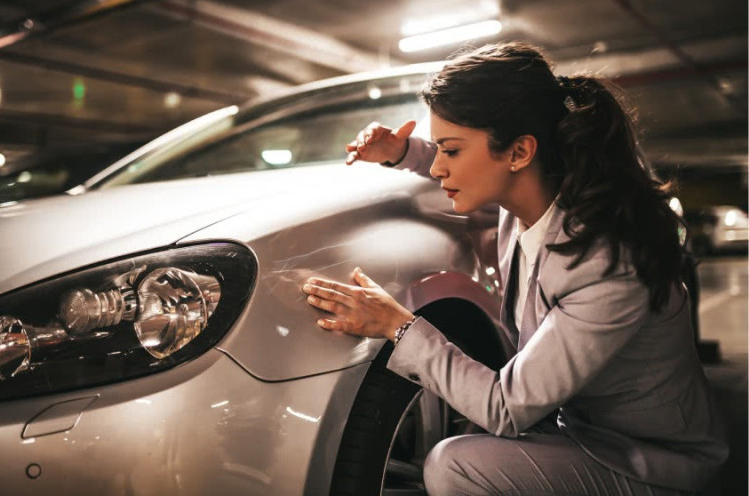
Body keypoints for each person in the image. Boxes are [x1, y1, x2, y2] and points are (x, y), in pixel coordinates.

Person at [302, 42, 728, 495]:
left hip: (652, 461)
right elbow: (460, 159)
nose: (440, 167)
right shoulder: (528, 198)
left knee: (454, 465)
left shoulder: (607, 263)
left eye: (452, 150)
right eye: (439, 148)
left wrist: (399, 326)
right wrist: (401, 150)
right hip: (582, 428)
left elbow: (505, 408)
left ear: (520, 152)